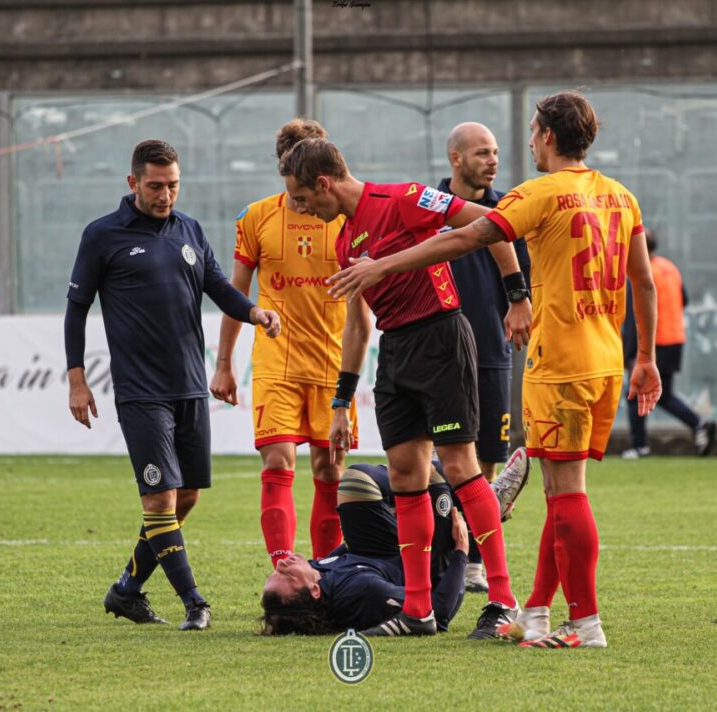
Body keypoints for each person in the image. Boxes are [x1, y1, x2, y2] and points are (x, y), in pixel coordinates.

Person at [326, 91, 663, 649]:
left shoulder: (538, 194)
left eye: (531, 133)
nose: (526, 144)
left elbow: (464, 236)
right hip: (606, 360)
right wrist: (645, 357)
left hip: (558, 362)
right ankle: (535, 613)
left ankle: (583, 622)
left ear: (548, 137)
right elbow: (644, 282)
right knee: (560, 493)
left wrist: (382, 264)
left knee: (565, 494)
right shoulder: (621, 196)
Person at [279, 138, 532, 639]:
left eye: (303, 199)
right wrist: (340, 401)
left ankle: (503, 600)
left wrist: (517, 294)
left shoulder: (406, 198)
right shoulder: (344, 240)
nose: (302, 209)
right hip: (394, 352)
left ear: (323, 184)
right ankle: (418, 611)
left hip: (440, 336)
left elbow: (492, 225)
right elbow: (357, 326)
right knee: (404, 476)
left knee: (459, 465)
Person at [64, 139, 281, 631]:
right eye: (156, 186)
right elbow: (77, 308)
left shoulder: (190, 230)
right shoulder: (103, 235)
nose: (165, 195)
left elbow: (219, 287)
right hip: (141, 391)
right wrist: (77, 379)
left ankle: (126, 590)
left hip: (188, 385)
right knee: (159, 500)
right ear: (133, 183)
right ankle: (195, 602)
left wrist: (254, 312)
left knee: (185, 499)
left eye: (173, 185)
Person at [209, 119, 354, 568]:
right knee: (277, 463)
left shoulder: (346, 217)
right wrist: (224, 363)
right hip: (276, 362)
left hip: (333, 361)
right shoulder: (257, 217)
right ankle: (286, 571)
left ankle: (328, 575)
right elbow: (236, 292)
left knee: (329, 470)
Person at [260, 449, 530, 635]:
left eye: (275, 570)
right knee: (430, 474)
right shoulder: (364, 593)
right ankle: (486, 507)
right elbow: (439, 612)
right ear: (314, 592)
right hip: (427, 563)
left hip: (384, 547)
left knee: (355, 482)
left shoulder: (318, 573)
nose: (281, 563)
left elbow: (349, 551)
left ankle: (469, 505)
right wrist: (461, 553)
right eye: (286, 574)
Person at [439, 121, 533, 594]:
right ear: (456, 158)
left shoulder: (510, 211)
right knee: (446, 458)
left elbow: (525, 284)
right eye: (481, 153)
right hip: (441, 352)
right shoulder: (431, 206)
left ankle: (475, 559)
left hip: (493, 352)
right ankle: (450, 552)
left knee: (488, 463)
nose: (492, 160)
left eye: (495, 152)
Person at [622, 228, 717, 458]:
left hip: (656, 342)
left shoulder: (641, 272)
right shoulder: (669, 267)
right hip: (675, 338)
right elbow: (683, 299)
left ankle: (640, 446)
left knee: (635, 393)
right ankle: (698, 425)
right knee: (663, 394)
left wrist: (630, 353)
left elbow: (636, 315)